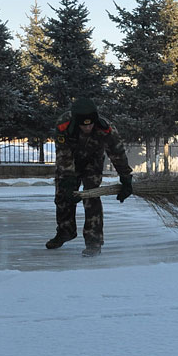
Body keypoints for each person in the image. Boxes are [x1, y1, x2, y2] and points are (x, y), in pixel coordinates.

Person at [46, 97, 133, 257]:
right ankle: (66, 231)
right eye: (83, 125)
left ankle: (94, 242)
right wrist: (67, 182)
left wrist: (126, 178)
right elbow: (64, 156)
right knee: (63, 196)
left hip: (92, 162)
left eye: (90, 124)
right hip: (69, 160)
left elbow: (117, 153)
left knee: (91, 196)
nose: (88, 127)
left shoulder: (107, 129)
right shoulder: (63, 125)